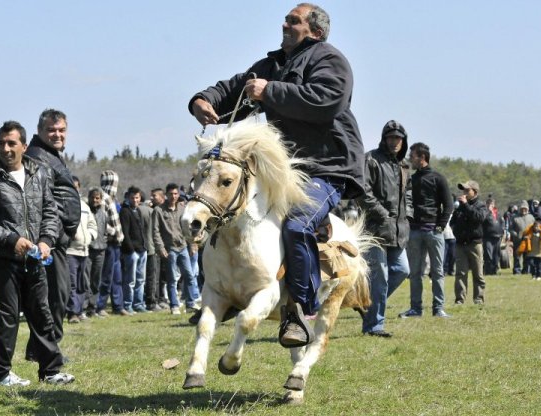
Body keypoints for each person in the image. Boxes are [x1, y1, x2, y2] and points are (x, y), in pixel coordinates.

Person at [189, 3, 365, 347]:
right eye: (286, 18)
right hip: (281, 169)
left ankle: (298, 310)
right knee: (224, 211)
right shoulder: (272, 65)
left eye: (293, 20)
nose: (284, 24)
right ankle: (222, 292)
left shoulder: (330, 60)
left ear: (315, 31)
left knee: (298, 224)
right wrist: (202, 100)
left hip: (325, 168)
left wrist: (270, 91)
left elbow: (326, 100)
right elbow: (236, 88)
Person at [0, 120, 74, 386]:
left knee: (42, 314)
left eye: (11, 143)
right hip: (3, 260)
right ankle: (0, 374)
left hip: (35, 259)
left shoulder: (40, 173)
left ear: (24, 146)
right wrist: (11, 239)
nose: (5, 149)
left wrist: (45, 240)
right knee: (6, 317)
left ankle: (50, 371)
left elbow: (50, 212)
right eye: (1, 143)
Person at [25, 109, 81, 361]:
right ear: (39, 131)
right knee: (54, 296)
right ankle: (47, 350)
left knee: (54, 295)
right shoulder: (38, 157)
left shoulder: (50, 155)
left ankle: (39, 349)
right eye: (51, 130)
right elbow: (41, 201)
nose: (57, 134)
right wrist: (49, 237)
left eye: (61, 130)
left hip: (56, 238)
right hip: (48, 240)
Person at [358, 120, 410, 338]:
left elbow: (408, 194)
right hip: (375, 228)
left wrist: (410, 214)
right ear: (384, 138)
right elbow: (362, 191)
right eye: (391, 138)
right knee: (380, 278)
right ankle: (374, 325)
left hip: (399, 230)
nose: (395, 142)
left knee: (402, 270)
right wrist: (381, 214)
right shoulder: (370, 159)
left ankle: (367, 305)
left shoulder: (404, 165)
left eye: (398, 138)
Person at [400, 142, 453, 319]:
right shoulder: (411, 179)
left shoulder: (438, 178)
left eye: (412, 155)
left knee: (437, 272)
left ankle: (438, 309)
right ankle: (416, 309)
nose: (410, 159)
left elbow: (449, 205)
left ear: (422, 157)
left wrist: (440, 226)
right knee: (415, 273)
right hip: (414, 232)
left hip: (434, 232)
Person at [153, 183, 200, 314]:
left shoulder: (182, 208)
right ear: (166, 195)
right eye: (170, 194)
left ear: (178, 195)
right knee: (172, 279)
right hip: (170, 248)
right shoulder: (159, 211)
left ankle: (191, 303)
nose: (173, 196)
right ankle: (174, 305)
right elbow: (155, 231)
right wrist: (161, 248)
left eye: (175, 194)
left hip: (183, 246)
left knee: (189, 276)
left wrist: (192, 244)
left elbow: (188, 227)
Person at [450, 180, 488, 305]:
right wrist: (456, 231)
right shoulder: (460, 206)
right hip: (461, 244)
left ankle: (478, 299)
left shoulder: (481, 205)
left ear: (475, 192)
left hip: (474, 244)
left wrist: (466, 205)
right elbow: (453, 221)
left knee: (478, 273)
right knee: (460, 273)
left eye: (467, 190)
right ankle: (460, 300)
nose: (464, 193)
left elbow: (478, 218)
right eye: (463, 190)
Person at [65, 178, 97, 323]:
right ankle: (72, 313)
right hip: (70, 251)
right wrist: (70, 238)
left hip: (84, 250)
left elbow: (92, 223)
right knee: (71, 283)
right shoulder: (63, 203)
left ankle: (79, 311)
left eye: (76, 187)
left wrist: (90, 236)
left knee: (81, 283)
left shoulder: (84, 205)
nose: (74, 189)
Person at [96, 170, 127, 316]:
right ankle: (100, 306)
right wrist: (114, 231)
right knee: (106, 276)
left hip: (116, 245)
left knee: (117, 277)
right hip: (108, 242)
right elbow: (100, 220)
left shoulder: (113, 199)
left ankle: (118, 306)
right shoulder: (103, 198)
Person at [119, 186, 149, 313]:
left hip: (142, 250)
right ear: (128, 198)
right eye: (132, 198)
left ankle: (139, 303)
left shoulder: (139, 210)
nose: (135, 200)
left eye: (137, 197)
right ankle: (128, 304)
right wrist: (131, 250)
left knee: (141, 280)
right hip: (131, 252)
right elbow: (125, 233)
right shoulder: (125, 211)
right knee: (130, 280)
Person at [85, 187, 107, 317]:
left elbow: (104, 231)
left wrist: (104, 243)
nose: (95, 200)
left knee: (96, 280)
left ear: (101, 199)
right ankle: (82, 307)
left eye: (97, 198)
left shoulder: (103, 214)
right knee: (85, 280)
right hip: (88, 249)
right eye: (92, 197)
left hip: (100, 250)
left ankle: (92, 308)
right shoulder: (86, 212)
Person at [509, 200, 535, 274]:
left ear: (527, 209)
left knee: (527, 256)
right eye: (522, 208)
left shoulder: (531, 217)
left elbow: (534, 228)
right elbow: (510, 229)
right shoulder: (514, 217)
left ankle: (526, 270)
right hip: (518, 240)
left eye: (525, 209)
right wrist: (516, 235)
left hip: (528, 240)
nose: (523, 210)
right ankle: (517, 270)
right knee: (517, 256)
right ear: (520, 209)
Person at [482, 198, 504, 276]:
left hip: (497, 237)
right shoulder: (484, 213)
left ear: (494, 205)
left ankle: (494, 270)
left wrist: (502, 232)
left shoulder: (498, 214)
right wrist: (488, 212)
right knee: (488, 255)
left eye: (491, 204)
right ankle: (488, 271)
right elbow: (482, 221)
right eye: (488, 204)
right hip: (488, 237)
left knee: (496, 255)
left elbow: (502, 223)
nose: (489, 206)